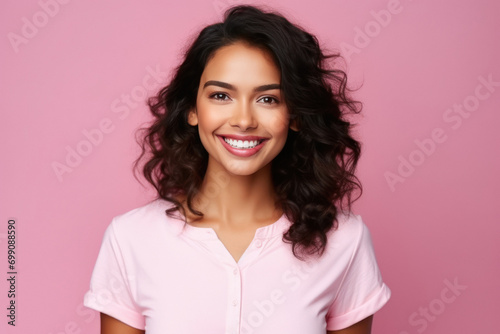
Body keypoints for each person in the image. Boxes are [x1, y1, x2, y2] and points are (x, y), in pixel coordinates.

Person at [83, 4, 391, 334]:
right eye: (220, 95)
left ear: (296, 115)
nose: (243, 120)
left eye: (268, 99)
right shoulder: (131, 239)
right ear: (192, 109)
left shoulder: (344, 240)